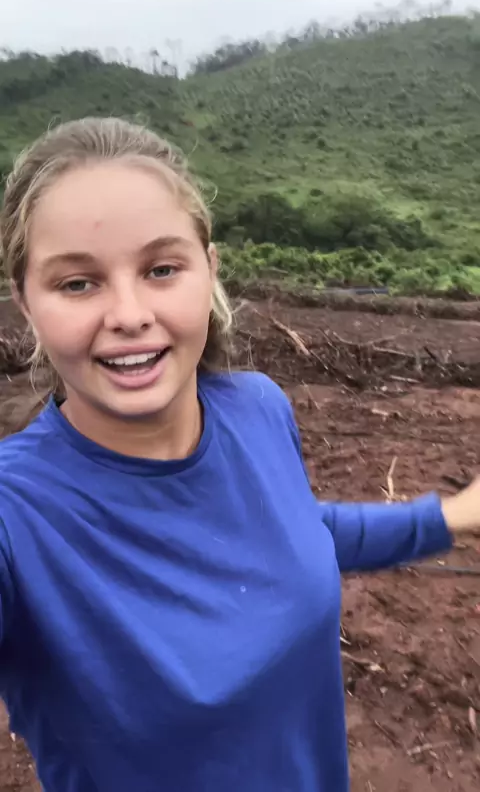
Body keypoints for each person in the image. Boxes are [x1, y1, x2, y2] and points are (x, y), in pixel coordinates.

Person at [0, 117, 477, 792]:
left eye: (161, 269)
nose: (129, 314)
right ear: (25, 303)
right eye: (78, 283)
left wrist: (452, 515)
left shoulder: (257, 407)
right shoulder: (17, 516)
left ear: (210, 270)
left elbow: (291, 530)